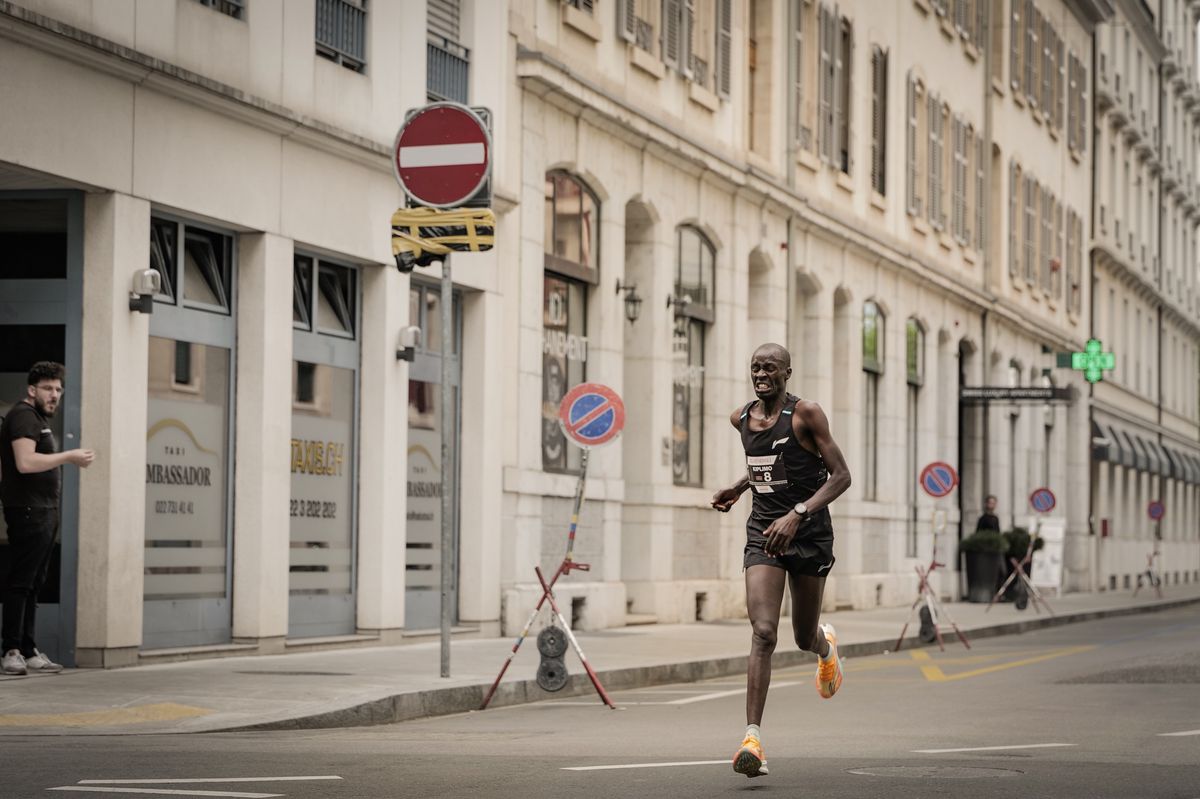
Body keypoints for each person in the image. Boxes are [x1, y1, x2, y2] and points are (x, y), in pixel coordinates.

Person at [711, 343, 852, 778]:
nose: (761, 374)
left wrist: (799, 513)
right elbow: (767, 465)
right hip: (764, 535)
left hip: (809, 535)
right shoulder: (741, 419)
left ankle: (825, 648)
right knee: (764, 631)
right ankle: (751, 738)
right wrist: (740, 487)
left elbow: (842, 476)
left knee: (802, 634)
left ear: (787, 373)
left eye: (770, 368)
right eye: (755, 367)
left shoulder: (806, 414)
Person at [0, 362, 94, 675]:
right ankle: (11, 649)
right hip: (28, 511)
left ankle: (28, 649)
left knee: (34, 583)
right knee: (21, 582)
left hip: (42, 511)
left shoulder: (36, 417)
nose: (54, 395)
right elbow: (25, 462)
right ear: (32, 390)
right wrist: (69, 456)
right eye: (48, 388)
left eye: (58, 389)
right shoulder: (24, 416)